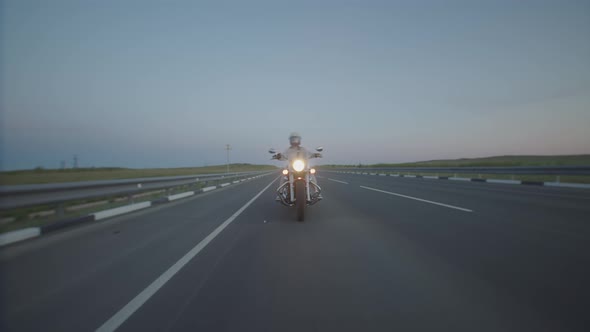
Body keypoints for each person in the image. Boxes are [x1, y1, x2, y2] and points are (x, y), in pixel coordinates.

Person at [274, 132, 322, 200]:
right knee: (283, 175)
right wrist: (278, 156)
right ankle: (280, 194)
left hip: (303, 168)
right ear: (290, 140)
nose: (294, 140)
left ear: (299, 140)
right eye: (293, 139)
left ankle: (316, 191)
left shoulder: (303, 149)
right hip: (291, 168)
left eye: (296, 138)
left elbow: (310, 154)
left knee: (311, 173)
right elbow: (283, 156)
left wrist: (315, 154)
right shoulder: (288, 150)